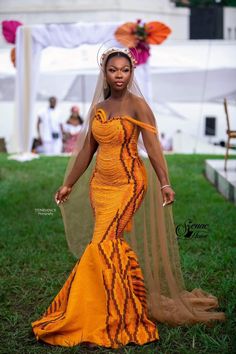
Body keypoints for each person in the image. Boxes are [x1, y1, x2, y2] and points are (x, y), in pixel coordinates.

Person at [31, 48, 225, 349]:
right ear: (105, 73)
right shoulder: (99, 107)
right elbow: (86, 150)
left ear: (131, 72)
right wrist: (68, 183)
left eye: (124, 70)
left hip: (129, 183)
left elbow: (154, 147)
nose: (119, 75)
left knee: (102, 243)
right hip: (101, 186)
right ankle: (112, 304)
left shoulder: (138, 106)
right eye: (113, 70)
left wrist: (165, 183)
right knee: (109, 245)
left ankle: (109, 314)